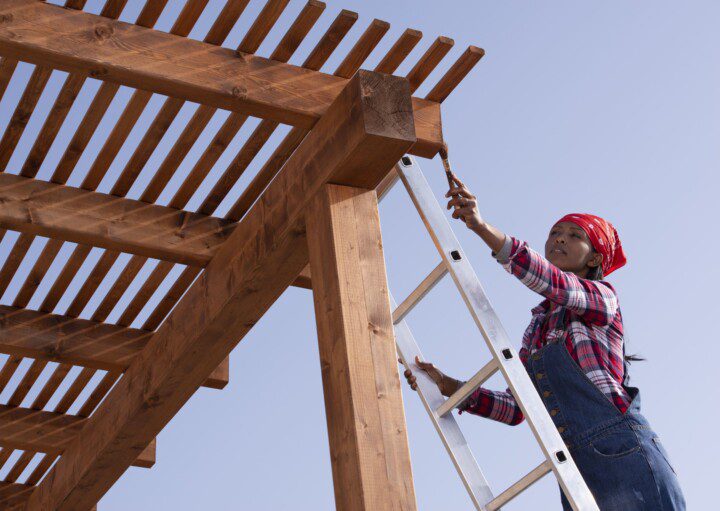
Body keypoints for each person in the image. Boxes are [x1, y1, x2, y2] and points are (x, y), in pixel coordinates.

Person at [400, 172, 686, 510]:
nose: (560, 240)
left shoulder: (603, 299)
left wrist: (481, 227)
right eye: (555, 233)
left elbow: (556, 284)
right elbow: (517, 408)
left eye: (574, 236)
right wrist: (450, 386)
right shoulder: (537, 329)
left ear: (594, 258)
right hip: (573, 467)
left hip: (622, 449)